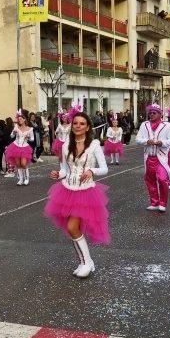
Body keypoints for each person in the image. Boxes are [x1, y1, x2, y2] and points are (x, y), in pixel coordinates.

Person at [44, 111, 109, 278]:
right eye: (75, 123)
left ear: (87, 127)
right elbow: (65, 170)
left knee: (73, 227)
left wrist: (91, 170)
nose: (78, 126)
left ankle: (87, 262)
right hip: (67, 190)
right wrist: (58, 175)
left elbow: (104, 168)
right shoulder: (66, 145)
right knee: (72, 228)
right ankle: (84, 262)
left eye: (81, 124)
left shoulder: (94, 144)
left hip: (85, 193)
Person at [136, 103, 170, 212]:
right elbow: (138, 139)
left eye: (154, 113)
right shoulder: (144, 125)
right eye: (150, 113)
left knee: (162, 179)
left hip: (161, 158)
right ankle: (154, 202)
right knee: (150, 180)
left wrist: (161, 142)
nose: (152, 115)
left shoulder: (167, 125)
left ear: (160, 114)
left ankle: (163, 203)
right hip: (149, 157)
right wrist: (146, 141)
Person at [5, 110, 34, 185]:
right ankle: (21, 179)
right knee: (18, 164)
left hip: (24, 147)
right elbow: (11, 136)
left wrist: (28, 137)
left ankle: (26, 178)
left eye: (21, 119)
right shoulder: (16, 127)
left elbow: (32, 139)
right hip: (15, 146)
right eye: (18, 119)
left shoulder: (30, 129)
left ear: (24, 120)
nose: (19, 120)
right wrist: (13, 132)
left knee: (23, 164)